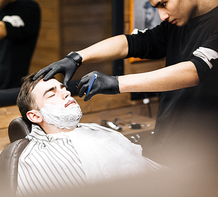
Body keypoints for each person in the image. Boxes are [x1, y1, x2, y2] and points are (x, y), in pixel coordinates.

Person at [33, 0, 218, 168]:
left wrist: (116, 83)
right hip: (167, 146)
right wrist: (77, 57)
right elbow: (130, 43)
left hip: (204, 155)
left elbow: (194, 71)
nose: (162, 15)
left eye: (164, 3)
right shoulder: (176, 24)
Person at [15, 73, 164, 196]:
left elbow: (151, 171)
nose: (66, 93)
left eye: (63, 88)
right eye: (52, 94)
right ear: (35, 117)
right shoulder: (37, 159)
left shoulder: (96, 130)